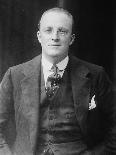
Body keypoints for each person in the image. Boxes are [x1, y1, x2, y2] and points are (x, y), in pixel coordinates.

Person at [0, 7, 116, 155]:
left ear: (72, 38)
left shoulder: (96, 74)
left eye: (62, 31)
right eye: (48, 30)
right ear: (39, 36)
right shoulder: (14, 75)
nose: (55, 37)